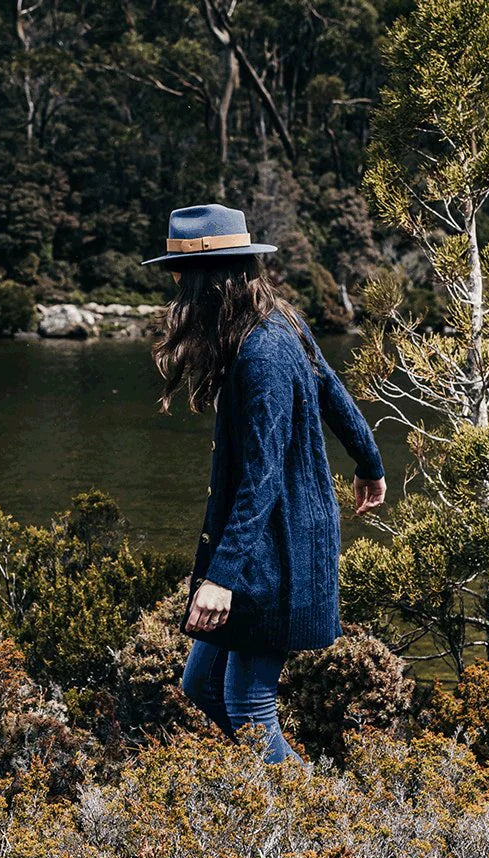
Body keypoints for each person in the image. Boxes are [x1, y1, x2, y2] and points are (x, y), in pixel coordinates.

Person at [145, 203, 386, 764]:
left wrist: (222, 579)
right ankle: (279, 811)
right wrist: (369, 462)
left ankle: (323, 825)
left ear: (210, 280)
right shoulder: (278, 322)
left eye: (180, 274)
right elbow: (333, 390)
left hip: (277, 552)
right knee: (200, 687)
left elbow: (262, 476)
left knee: (250, 709)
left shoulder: (262, 352)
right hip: (270, 542)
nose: (175, 286)